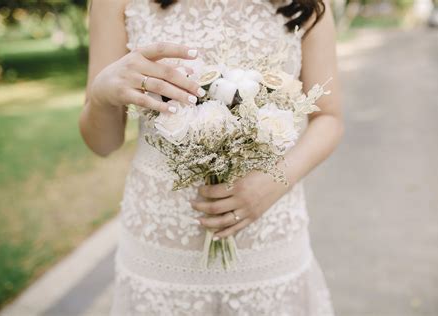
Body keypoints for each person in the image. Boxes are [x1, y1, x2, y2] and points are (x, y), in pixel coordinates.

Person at [79, 0, 343, 314]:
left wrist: (273, 182)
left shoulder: (308, 4)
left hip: (268, 239)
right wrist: (101, 95)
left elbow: (329, 118)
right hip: (161, 246)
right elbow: (103, 144)